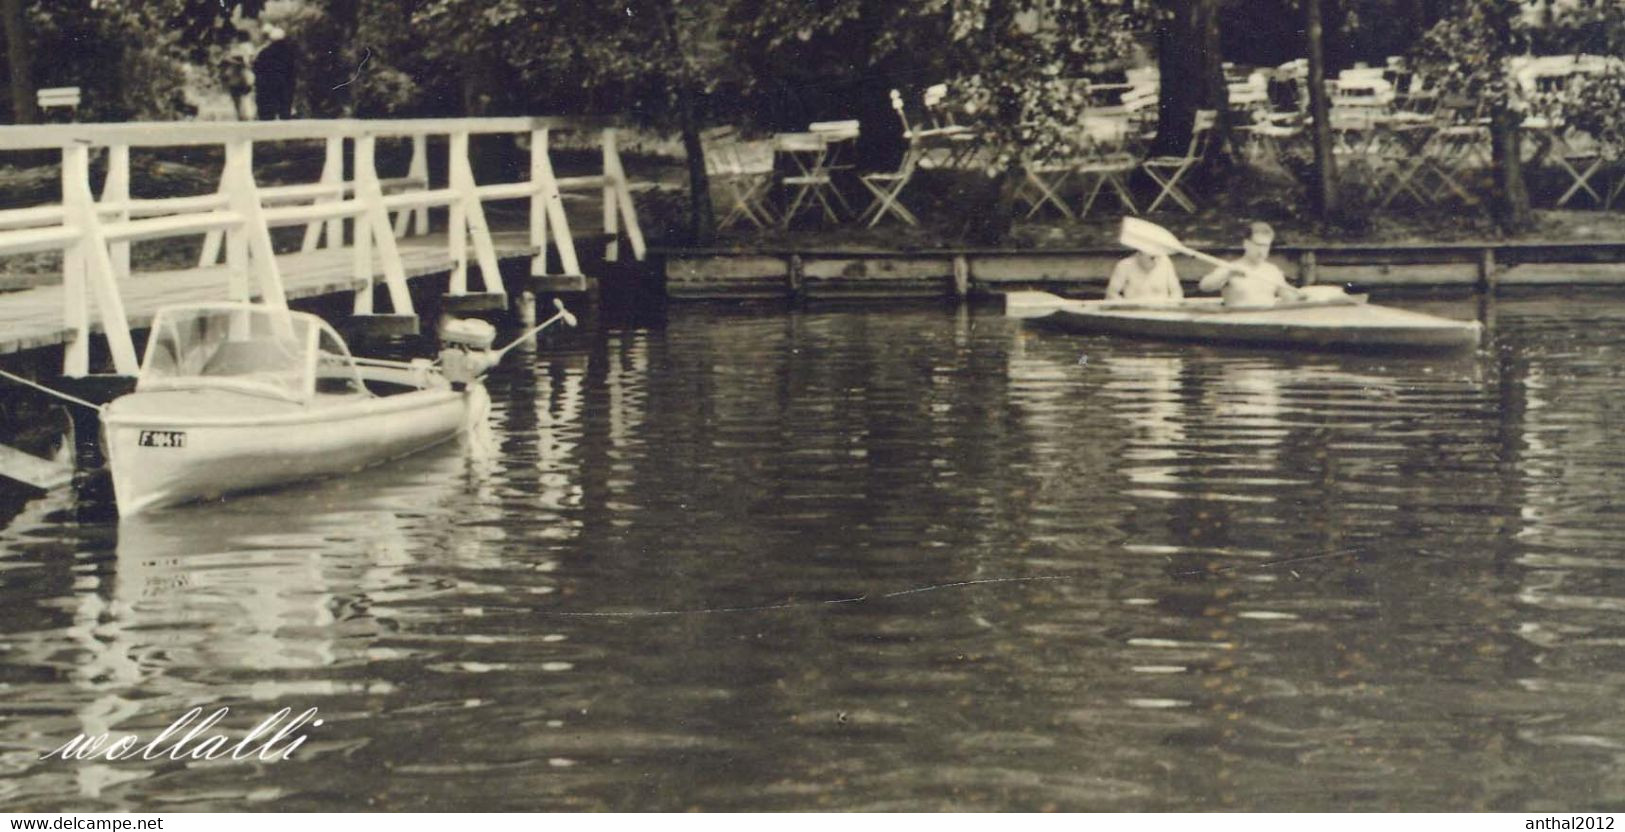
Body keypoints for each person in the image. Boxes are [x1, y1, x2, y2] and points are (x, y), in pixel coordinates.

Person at [1197, 222, 1306, 307]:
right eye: (1257, 245)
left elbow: (1288, 297)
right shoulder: (1231, 268)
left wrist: (1302, 297)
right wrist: (1228, 274)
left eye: (1265, 246)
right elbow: (1204, 286)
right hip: (1239, 328)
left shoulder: (1272, 271)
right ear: (1246, 244)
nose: (1261, 250)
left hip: (1266, 326)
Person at [253, 25, 298, 120]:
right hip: (285, 84)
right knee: (285, 110)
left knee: (267, 112)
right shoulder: (290, 52)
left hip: (268, 85)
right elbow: (293, 69)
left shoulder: (265, 52)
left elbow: (257, 68)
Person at [1106, 249, 1183, 301]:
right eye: (1152, 258)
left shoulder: (1165, 262)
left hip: (1162, 313)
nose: (1156, 261)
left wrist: (1170, 306)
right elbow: (1111, 293)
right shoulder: (1125, 265)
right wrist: (1125, 308)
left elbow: (1176, 292)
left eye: (1158, 257)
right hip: (1135, 315)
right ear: (1140, 253)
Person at [221, 34, 256, 121]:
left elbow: (230, 60)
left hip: (238, 76)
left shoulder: (238, 48)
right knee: (246, 96)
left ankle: (242, 115)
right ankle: (247, 115)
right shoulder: (250, 48)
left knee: (238, 96)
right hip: (246, 75)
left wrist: (231, 61)